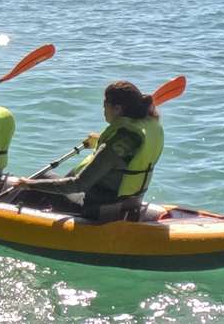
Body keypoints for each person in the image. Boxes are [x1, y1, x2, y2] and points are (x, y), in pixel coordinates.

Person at [13, 79, 163, 221]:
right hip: (130, 203)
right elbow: (125, 155)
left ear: (117, 109)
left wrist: (28, 184)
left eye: (105, 105)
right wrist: (99, 141)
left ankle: (13, 219)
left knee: (42, 176)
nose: (103, 110)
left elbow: (77, 185)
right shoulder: (147, 129)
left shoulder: (112, 146)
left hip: (98, 209)